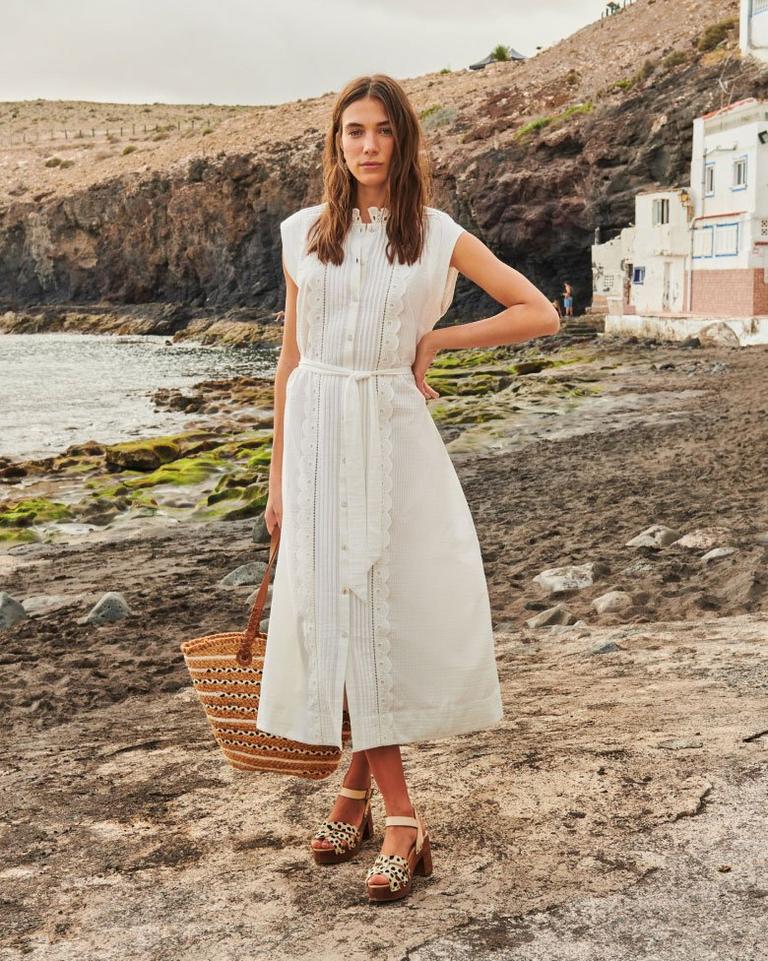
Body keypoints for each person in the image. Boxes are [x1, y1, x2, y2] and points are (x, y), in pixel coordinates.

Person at [258, 73, 560, 904]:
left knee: (377, 618)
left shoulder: (435, 235)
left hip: (389, 436)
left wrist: (437, 339)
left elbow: (539, 311)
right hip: (319, 436)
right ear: (336, 141)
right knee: (340, 615)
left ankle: (399, 818)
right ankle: (362, 795)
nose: (366, 144)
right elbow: (290, 364)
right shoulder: (300, 233)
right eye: (352, 130)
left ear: (403, 140)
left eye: (382, 130)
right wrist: (277, 478)